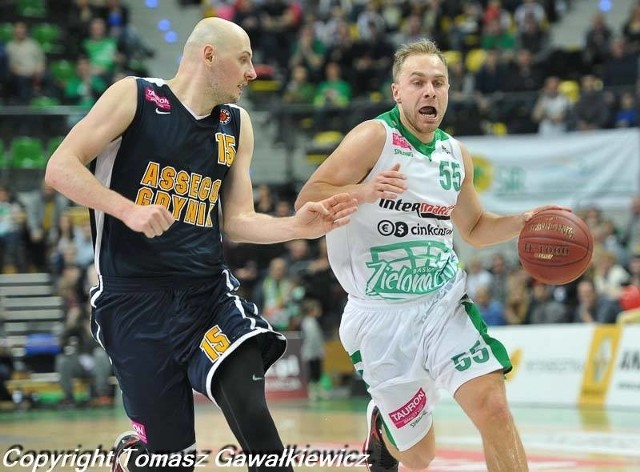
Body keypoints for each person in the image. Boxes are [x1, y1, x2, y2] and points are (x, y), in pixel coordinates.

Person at [44, 17, 357, 472]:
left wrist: (296, 227)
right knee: (172, 463)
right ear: (209, 55)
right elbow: (60, 167)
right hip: (133, 303)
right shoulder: (136, 96)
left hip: (206, 295)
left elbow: (238, 220)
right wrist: (126, 209)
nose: (253, 72)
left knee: (251, 408)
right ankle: (133, 459)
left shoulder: (236, 124)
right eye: (244, 59)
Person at [295, 38, 561, 472]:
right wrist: (364, 191)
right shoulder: (372, 138)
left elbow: (473, 228)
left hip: (442, 303)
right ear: (397, 91)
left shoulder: (456, 155)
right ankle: (383, 429)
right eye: (417, 82)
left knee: (492, 403)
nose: (430, 91)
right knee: (420, 457)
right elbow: (309, 198)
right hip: (378, 318)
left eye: (439, 83)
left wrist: (525, 220)